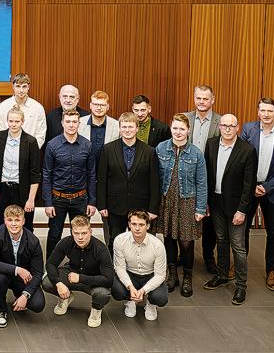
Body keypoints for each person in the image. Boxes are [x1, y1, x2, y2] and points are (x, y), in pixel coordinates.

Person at [240, 97, 274, 292]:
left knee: (273, 232)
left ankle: (272, 270)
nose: (266, 114)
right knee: (242, 228)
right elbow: (241, 158)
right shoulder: (248, 130)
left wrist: (267, 186)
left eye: (270, 111)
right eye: (262, 110)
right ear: (258, 112)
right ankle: (239, 265)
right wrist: (252, 185)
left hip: (271, 191)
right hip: (249, 188)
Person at [203, 114, 256, 305]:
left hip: (236, 207)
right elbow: (207, 174)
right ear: (219, 127)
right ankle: (222, 275)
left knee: (238, 247)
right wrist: (205, 201)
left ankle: (241, 286)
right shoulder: (211, 144)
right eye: (223, 125)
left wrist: (242, 210)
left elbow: (249, 185)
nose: (226, 129)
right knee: (221, 240)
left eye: (231, 126)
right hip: (216, 203)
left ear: (237, 128)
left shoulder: (247, 150)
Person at [152, 114, 207, 297]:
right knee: (168, 238)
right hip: (166, 201)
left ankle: (188, 277)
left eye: (182, 129)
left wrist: (200, 208)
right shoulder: (161, 148)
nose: (178, 132)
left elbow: (202, 183)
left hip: (187, 202)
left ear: (188, 130)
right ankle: (172, 274)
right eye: (175, 128)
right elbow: (154, 177)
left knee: (186, 242)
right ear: (170, 128)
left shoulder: (196, 153)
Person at [96, 112, 160, 243]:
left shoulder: (149, 152)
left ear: (137, 128)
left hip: (140, 207)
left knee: (139, 241)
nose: (127, 130)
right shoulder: (108, 149)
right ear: (119, 129)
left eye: (130, 127)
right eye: (124, 127)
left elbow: (154, 182)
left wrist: (153, 209)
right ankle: (115, 264)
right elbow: (101, 179)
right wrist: (101, 205)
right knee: (114, 241)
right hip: (114, 206)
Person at [42, 109, 97, 258]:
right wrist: (48, 202)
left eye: (74, 122)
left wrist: (92, 201)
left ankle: (79, 266)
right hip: (58, 199)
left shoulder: (87, 145)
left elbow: (92, 174)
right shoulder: (52, 145)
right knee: (54, 235)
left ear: (79, 123)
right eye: (68, 121)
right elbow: (46, 174)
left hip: (80, 199)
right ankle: (50, 268)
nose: (71, 125)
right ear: (62, 123)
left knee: (81, 236)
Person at [42, 215, 113, 328]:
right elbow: (50, 264)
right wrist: (58, 283)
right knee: (46, 282)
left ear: (90, 231)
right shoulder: (66, 242)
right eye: (76, 233)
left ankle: (96, 311)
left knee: (103, 294)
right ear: (72, 232)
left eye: (84, 233)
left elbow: (109, 280)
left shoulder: (100, 249)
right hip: (71, 274)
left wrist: (81, 278)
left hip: (92, 279)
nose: (80, 237)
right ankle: (66, 298)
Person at [0, 205, 45, 328]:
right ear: (4, 220)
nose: (13, 224)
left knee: (38, 305)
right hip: (3, 275)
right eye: (10, 220)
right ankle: (1, 310)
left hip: (23, 279)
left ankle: (19, 295)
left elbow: (38, 272)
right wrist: (17, 270)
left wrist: (25, 295)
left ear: (23, 221)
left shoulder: (33, 241)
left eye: (17, 220)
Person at [185, 85, 221, 274]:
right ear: (194, 98)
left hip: (211, 176)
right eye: (198, 98)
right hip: (186, 176)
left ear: (212, 100)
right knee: (184, 216)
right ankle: (183, 255)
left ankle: (208, 256)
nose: (201, 102)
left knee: (209, 221)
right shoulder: (185, 118)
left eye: (205, 99)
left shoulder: (220, 122)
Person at [0, 107, 41, 233]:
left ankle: (25, 252)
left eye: (17, 121)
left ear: (22, 122)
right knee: (2, 225)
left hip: (22, 190)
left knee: (26, 225)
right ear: (7, 121)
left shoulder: (30, 141)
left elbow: (35, 173)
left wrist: (31, 199)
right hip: (2, 189)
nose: (13, 124)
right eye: (11, 121)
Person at [111, 210, 168, 321]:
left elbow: (160, 275)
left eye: (141, 225)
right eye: (134, 224)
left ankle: (151, 303)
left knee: (160, 298)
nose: (137, 228)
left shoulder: (158, 245)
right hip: (130, 274)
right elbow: (120, 268)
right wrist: (131, 287)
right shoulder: (119, 240)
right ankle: (130, 299)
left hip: (150, 275)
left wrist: (143, 291)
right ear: (129, 225)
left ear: (148, 226)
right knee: (116, 290)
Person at [0, 73, 47, 147]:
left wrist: (32, 151)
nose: (21, 90)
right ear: (13, 87)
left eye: (24, 86)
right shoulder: (2, 107)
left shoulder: (38, 108)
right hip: (7, 150)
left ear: (28, 87)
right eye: (18, 86)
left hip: (30, 152)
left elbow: (40, 134)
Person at [78, 91, 120, 160]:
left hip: (108, 169)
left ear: (108, 107)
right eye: (95, 104)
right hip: (85, 168)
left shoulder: (117, 126)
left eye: (102, 105)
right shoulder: (79, 123)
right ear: (90, 106)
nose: (99, 108)